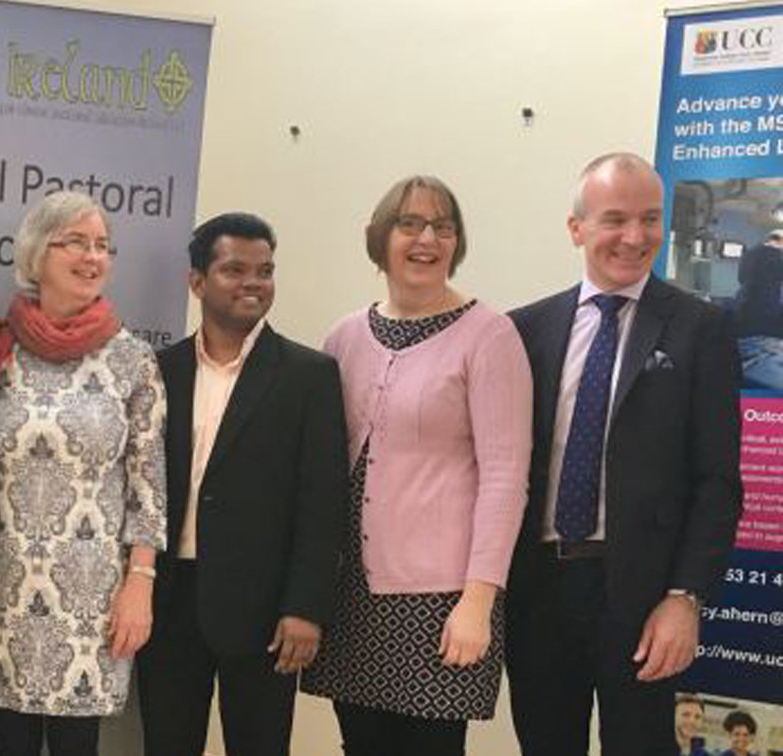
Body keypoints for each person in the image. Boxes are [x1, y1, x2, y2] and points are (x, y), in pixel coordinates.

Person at [505, 153, 743, 756]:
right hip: (539, 592)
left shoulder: (701, 329)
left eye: (651, 219)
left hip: (643, 598)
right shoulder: (523, 330)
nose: (635, 238)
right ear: (576, 227)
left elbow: (717, 482)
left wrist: (686, 598)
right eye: (615, 219)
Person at [300, 176, 533, 756]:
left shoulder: (490, 336)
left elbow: (506, 479)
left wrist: (478, 602)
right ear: (379, 238)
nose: (427, 238)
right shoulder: (344, 336)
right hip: (351, 594)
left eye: (443, 226)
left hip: (443, 602)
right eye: (410, 224)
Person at [0, 190, 167, 756]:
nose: (92, 256)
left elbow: (149, 485)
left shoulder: (132, 358)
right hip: (2, 588)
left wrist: (140, 586)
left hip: (92, 600)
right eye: (75, 242)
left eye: (102, 245)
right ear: (36, 254)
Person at [137, 212, 348, 756]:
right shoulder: (158, 370)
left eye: (265, 271)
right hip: (169, 602)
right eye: (235, 270)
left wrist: (305, 606)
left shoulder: (309, 376)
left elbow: (321, 502)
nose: (253, 282)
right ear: (197, 282)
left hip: (264, 611)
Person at [736, 230, 783, 337]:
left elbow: (741, 278)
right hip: (765, 311)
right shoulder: (774, 255)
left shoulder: (749, 253)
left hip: (745, 305)